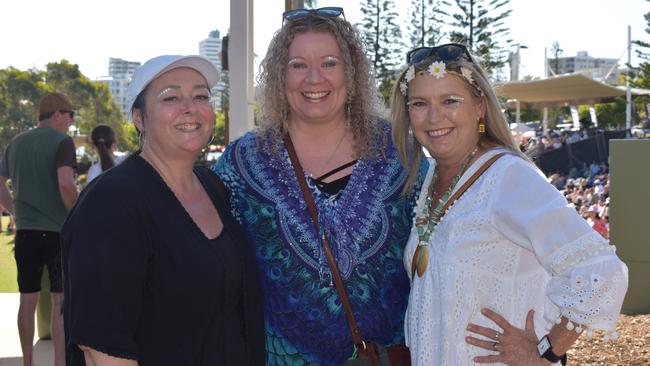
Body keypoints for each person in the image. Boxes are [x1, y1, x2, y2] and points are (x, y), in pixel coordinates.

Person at [390, 43, 629, 365]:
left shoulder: (508, 176)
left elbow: (601, 271)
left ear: (479, 108)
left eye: (450, 100)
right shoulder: (432, 178)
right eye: (419, 103)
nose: (434, 116)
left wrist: (546, 352)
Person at [213, 7, 426, 365]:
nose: (314, 78)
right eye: (298, 65)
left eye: (330, 63)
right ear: (280, 75)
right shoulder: (242, 162)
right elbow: (206, 261)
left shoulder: (401, 154)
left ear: (352, 72)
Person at [61, 55, 265, 366]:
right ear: (139, 118)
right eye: (170, 97)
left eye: (200, 96)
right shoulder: (112, 203)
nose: (190, 108)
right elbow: (103, 350)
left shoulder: (212, 186)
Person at [0, 92, 79, 366]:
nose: (71, 121)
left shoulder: (15, 143)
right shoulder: (62, 142)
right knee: (59, 303)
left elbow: (0, 184)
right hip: (58, 231)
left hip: (26, 233)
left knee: (28, 300)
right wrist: (78, 212)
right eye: (70, 115)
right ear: (57, 114)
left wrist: (17, 212)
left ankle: (28, 362)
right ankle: (60, 363)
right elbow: (66, 184)